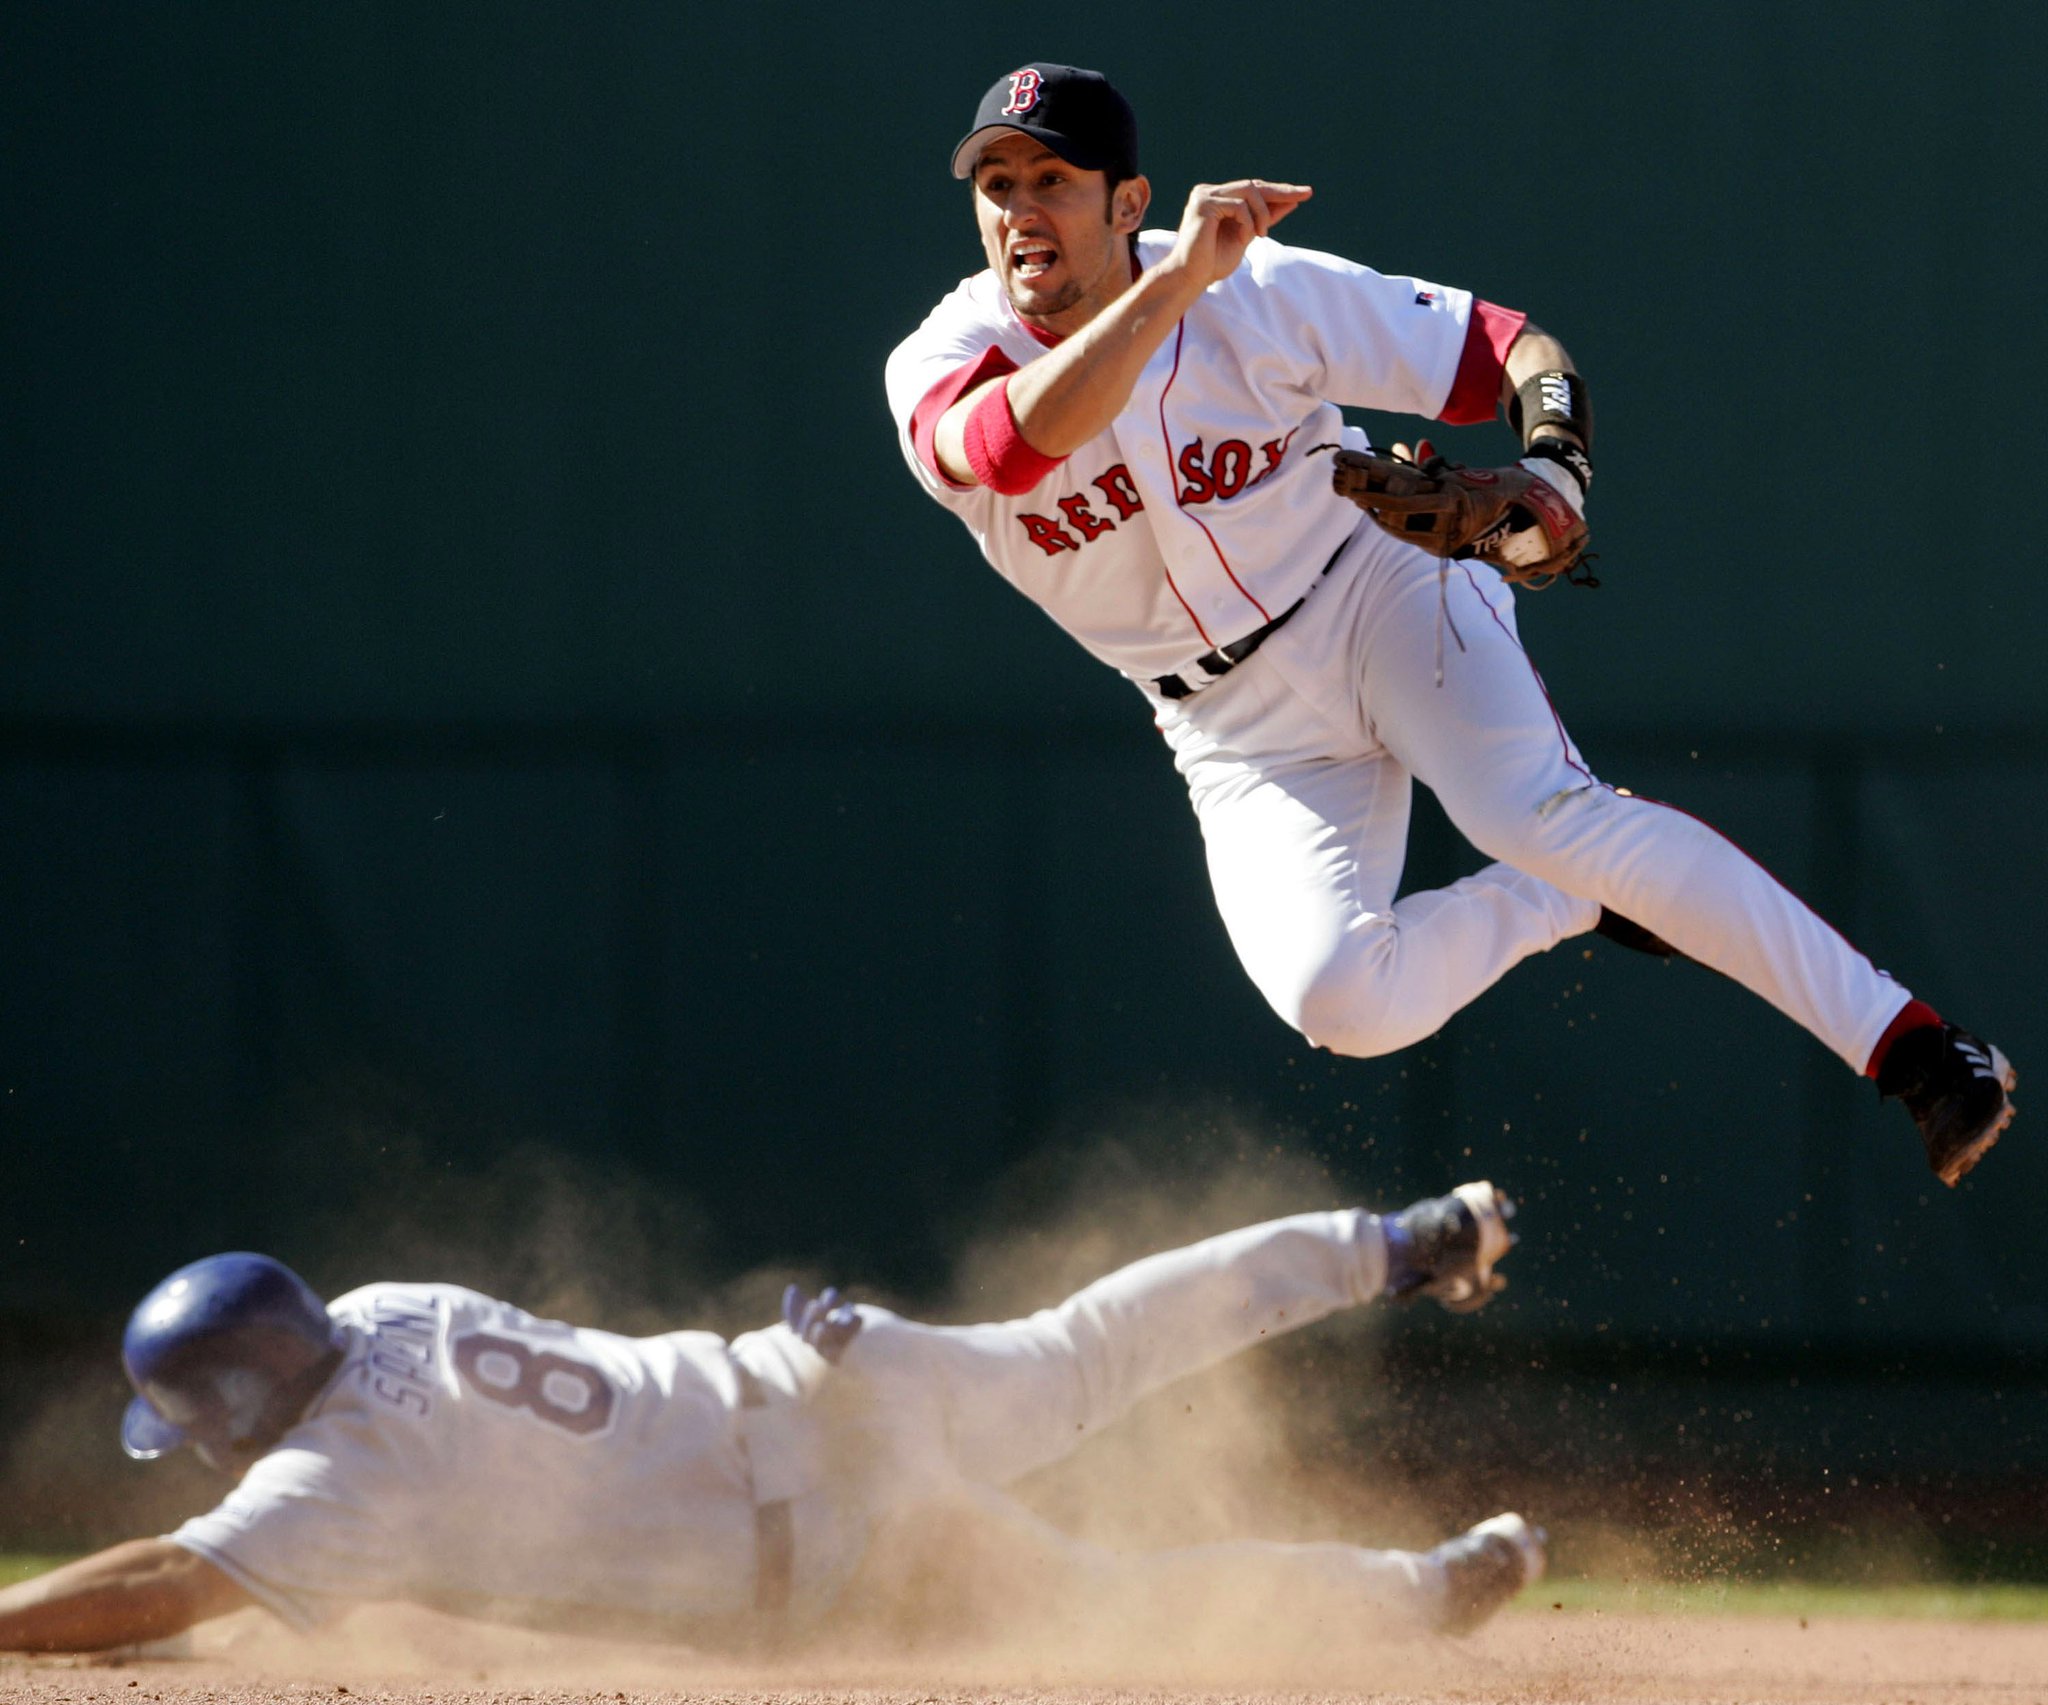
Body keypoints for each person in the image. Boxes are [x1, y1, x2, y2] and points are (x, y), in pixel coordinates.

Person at [883, 62, 2017, 1188]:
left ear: (1126, 202)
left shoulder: (1256, 292)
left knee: (1534, 808)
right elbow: (1011, 445)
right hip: (1228, 719)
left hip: (1376, 587)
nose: (1020, 209)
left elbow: (1511, 348)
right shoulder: (943, 358)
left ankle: (1915, 1048)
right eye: (995, 184)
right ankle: (1557, 900)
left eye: (1052, 179)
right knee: (1337, 998)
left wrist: (1554, 472)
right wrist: (1172, 285)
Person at [0, 1182, 1543, 1654]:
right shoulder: (391, 1304)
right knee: (1088, 1347)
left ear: (229, 1412)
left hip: (818, 1547)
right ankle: (1399, 1241)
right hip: (816, 1374)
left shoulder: (336, 1480)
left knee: (1107, 1606)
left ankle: (1429, 1590)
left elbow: (168, 1583)